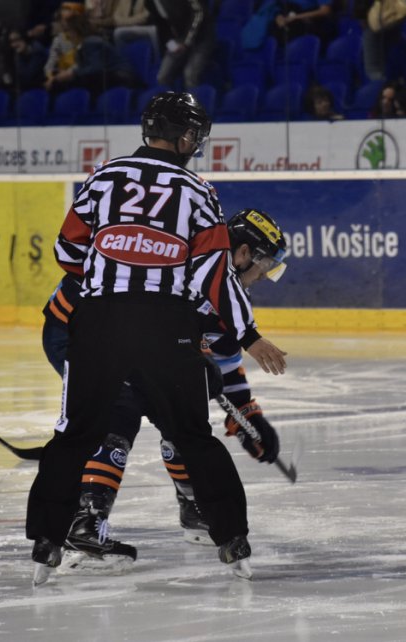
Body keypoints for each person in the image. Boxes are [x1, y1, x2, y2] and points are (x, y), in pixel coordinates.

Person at [26, 91, 288, 586]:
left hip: (98, 322)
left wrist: (111, 276)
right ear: (184, 136)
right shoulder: (198, 191)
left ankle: (46, 542)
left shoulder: (103, 176)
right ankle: (232, 541)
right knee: (190, 434)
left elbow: (67, 250)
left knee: (75, 435)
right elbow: (213, 275)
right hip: (165, 327)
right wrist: (251, 336)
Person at [41, 208, 288, 568]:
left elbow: (224, 356)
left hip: (128, 338)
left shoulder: (225, 287)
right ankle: (85, 521)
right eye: (264, 266)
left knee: (178, 412)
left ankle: (193, 508)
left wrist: (246, 415)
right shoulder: (185, 263)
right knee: (122, 409)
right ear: (243, 253)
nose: (263, 276)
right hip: (76, 330)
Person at [147, 0, 216, 90]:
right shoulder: (152, 2)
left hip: (202, 37)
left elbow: (198, 13)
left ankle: (193, 98)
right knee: (163, 76)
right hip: (179, 38)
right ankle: (170, 99)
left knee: (190, 75)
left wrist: (186, 42)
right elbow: (162, 26)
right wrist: (171, 45)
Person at [8, 29, 49, 94]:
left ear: (25, 38)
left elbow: (28, 76)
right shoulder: (18, 54)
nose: (14, 45)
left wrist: (18, 58)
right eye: (11, 42)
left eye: (17, 40)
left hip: (43, 90)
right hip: (30, 90)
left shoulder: (37, 51)